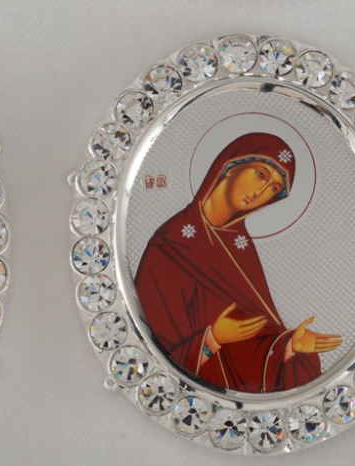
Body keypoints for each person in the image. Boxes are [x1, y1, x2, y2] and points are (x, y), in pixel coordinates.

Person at [134, 132, 341, 393]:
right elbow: (154, 346)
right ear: (231, 166)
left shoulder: (239, 247)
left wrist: (289, 346)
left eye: (274, 189)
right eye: (261, 174)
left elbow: (257, 334)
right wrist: (213, 339)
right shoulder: (169, 245)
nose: (262, 192)